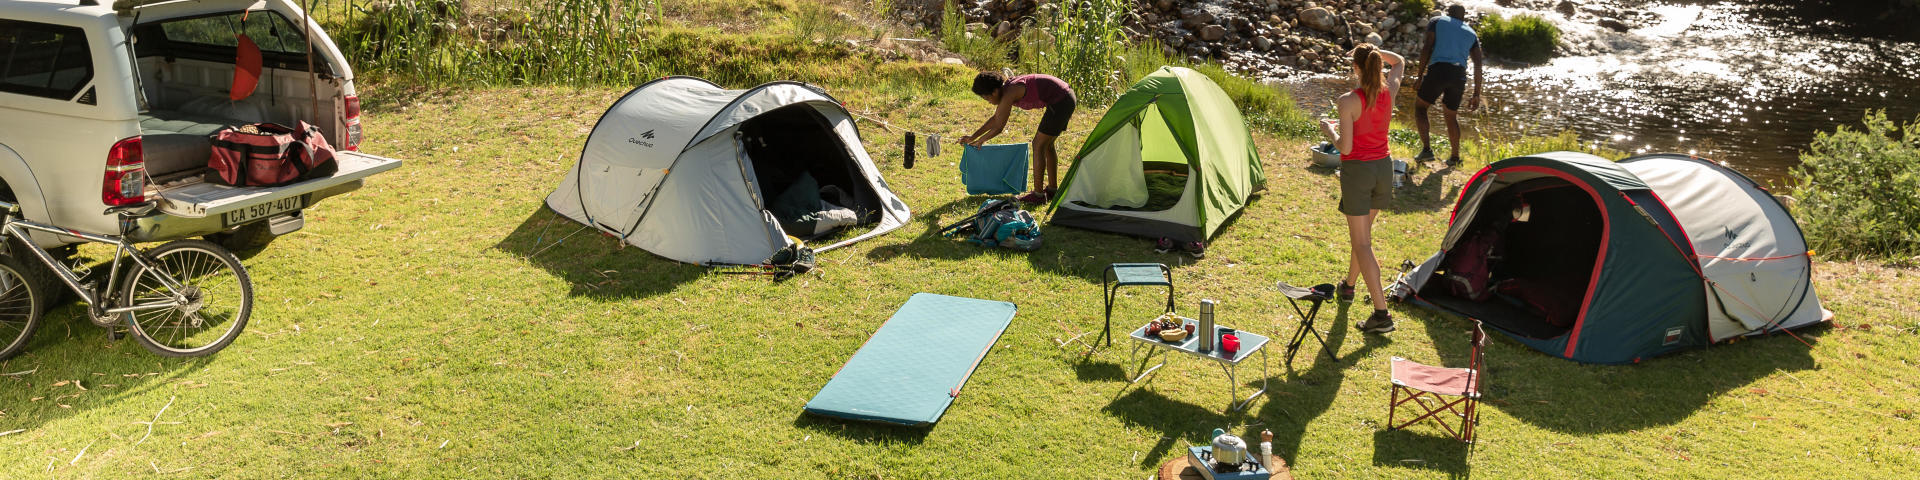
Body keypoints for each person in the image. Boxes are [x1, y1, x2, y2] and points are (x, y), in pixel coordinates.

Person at [1319, 43, 1405, 334]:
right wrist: (1378, 53)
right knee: (1363, 236)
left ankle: (1381, 314)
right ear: (1378, 65)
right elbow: (1400, 62)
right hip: (1384, 168)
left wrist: (1329, 130)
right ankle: (1349, 286)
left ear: (1355, 67)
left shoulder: (1347, 101)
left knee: (1362, 243)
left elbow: (1346, 147)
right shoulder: (1389, 91)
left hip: (1358, 172)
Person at [958, 71, 1076, 204]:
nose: (989, 102)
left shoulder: (1010, 92)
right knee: (1047, 145)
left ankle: (1038, 196)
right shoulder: (1007, 90)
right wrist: (973, 137)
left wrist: (980, 140)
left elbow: (999, 127)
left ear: (995, 92)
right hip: (1064, 97)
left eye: (987, 98)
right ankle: (1052, 190)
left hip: (1061, 100)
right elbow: (997, 118)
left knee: (1038, 145)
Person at [1413, 4, 1485, 166]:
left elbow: (1427, 47)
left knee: (1420, 107)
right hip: (1459, 75)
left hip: (1439, 70)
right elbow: (1478, 65)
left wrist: (1419, 76)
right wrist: (1476, 94)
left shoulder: (1438, 20)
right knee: (1451, 116)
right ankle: (1455, 157)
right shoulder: (1471, 33)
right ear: (1463, 17)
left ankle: (1426, 151)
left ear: (1448, 13)